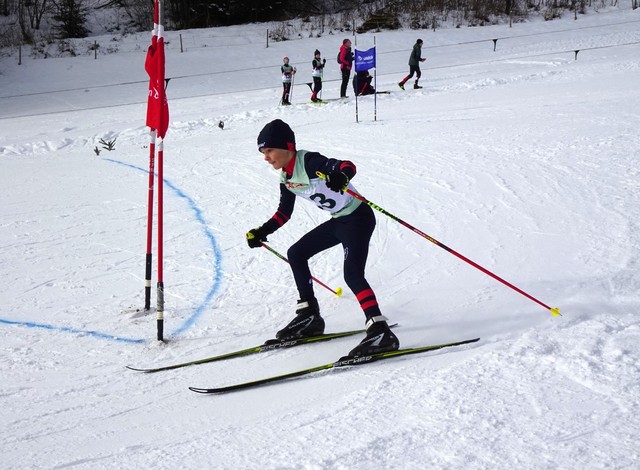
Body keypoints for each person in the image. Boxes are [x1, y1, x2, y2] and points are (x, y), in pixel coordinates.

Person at [246, 119, 399, 358]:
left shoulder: (308, 162)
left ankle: (380, 329)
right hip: (339, 220)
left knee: (352, 274)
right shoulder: (286, 178)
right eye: (263, 153)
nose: (266, 157)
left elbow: (347, 165)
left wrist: (341, 177)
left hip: (358, 218)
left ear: (287, 147)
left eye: (269, 150)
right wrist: (262, 231)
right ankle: (309, 316)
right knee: (296, 253)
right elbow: (284, 213)